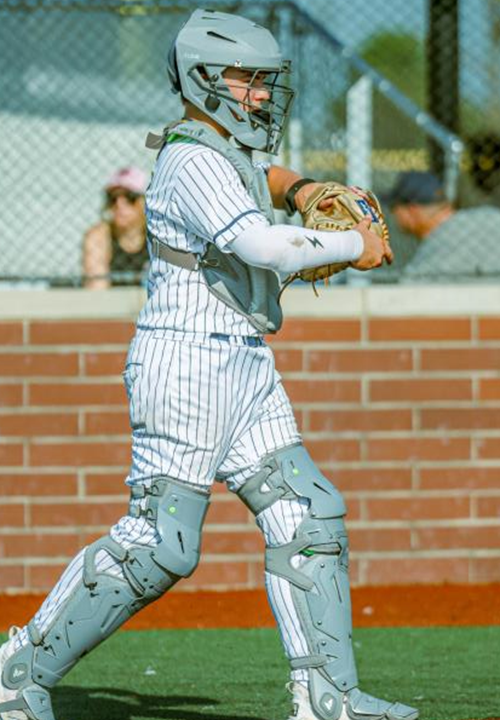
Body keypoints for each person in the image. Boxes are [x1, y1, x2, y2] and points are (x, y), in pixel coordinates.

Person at [0, 10, 414, 720]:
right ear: (202, 80)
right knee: (160, 545)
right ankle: (16, 673)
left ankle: (328, 699)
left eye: (265, 79)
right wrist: (355, 247)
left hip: (243, 359)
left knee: (308, 514)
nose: (261, 93)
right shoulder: (190, 158)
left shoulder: (222, 147)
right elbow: (267, 249)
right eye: (247, 79)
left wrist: (303, 189)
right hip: (187, 364)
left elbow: (261, 174)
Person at [387, 170, 500, 282]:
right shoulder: (490, 216)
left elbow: (410, 287)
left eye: (393, 208)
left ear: (412, 210)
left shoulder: (428, 261)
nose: (393, 214)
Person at [83, 166, 149, 289]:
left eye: (130, 197)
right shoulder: (100, 236)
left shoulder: (160, 234)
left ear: (145, 201)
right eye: (113, 198)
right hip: (112, 301)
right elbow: (97, 291)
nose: (119, 204)